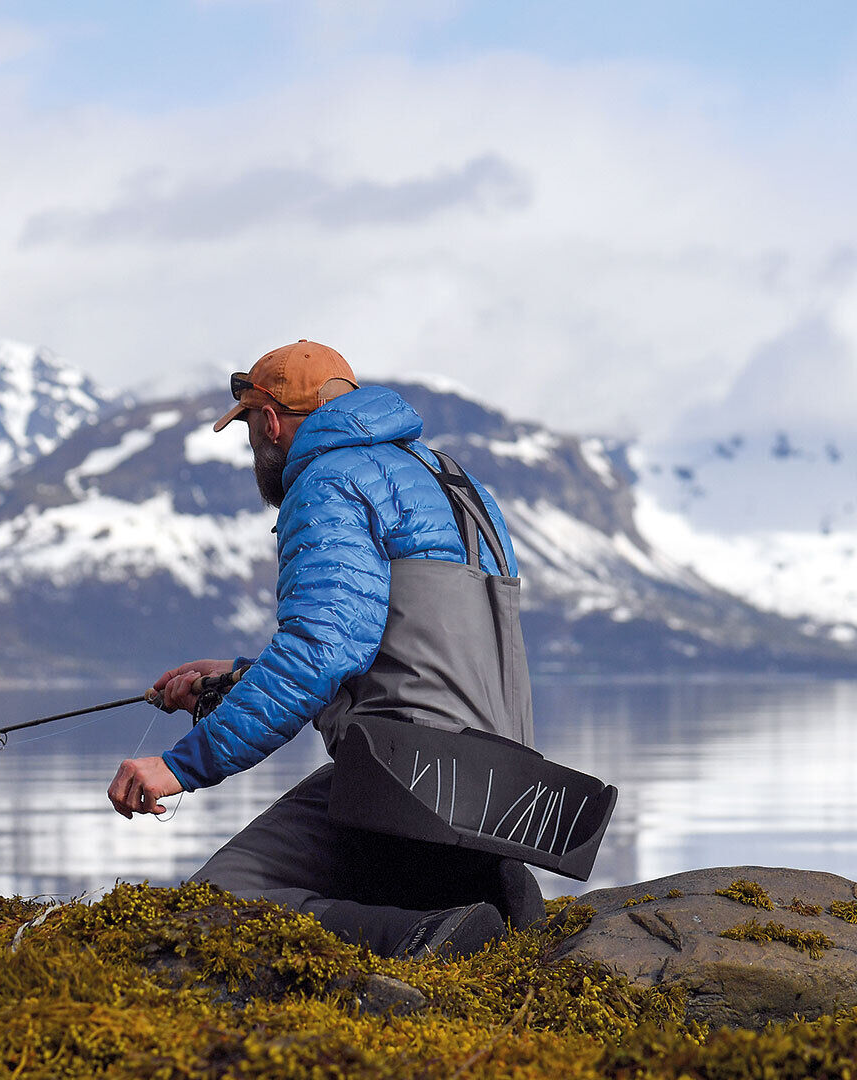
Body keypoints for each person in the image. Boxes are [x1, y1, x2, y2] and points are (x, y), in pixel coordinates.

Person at [107, 340, 542, 959]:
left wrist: (179, 767)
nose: (253, 446)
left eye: (250, 428)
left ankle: (422, 937)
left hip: (409, 776)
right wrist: (232, 680)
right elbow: (413, 661)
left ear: (271, 421)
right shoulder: (449, 478)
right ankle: (489, 886)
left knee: (210, 907)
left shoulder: (328, 482)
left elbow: (321, 651)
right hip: (506, 785)